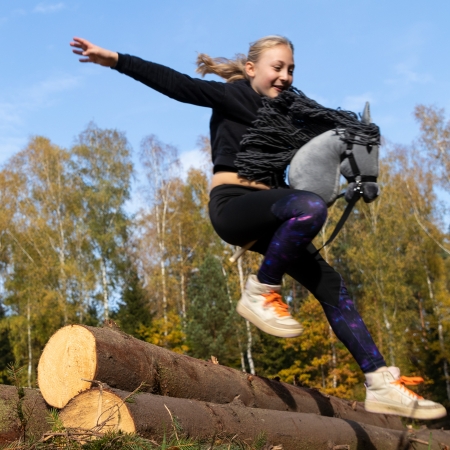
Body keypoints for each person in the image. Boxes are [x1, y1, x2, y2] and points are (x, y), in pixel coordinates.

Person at [70, 35, 446, 420]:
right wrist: (114, 59)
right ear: (251, 69)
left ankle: (379, 381)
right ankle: (260, 291)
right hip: (233, 206)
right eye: (277, 67)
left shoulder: (290, 113)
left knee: (332, 284)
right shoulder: (233, 96)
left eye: (291, 70)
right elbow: (175, 84)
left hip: (275, 211)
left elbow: (326, 148)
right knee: (310, 208)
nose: (284, 76)